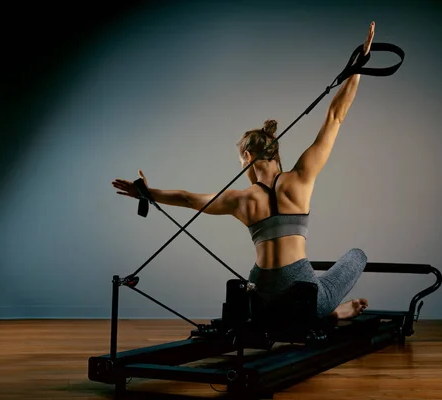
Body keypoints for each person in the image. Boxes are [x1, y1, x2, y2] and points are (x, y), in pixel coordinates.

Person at [112, 22, 376, 320]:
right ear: (275, 152)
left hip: (260, 300)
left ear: (248, 156)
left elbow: (187, 199)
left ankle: (327, 313)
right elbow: (335, 117)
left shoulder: (241, 200)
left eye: (241, 161)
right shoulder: (301, 179)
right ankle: (330, 312)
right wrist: (358, 67)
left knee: (293, 292)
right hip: (304, 297)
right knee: (356, 256)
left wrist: (146, 192)